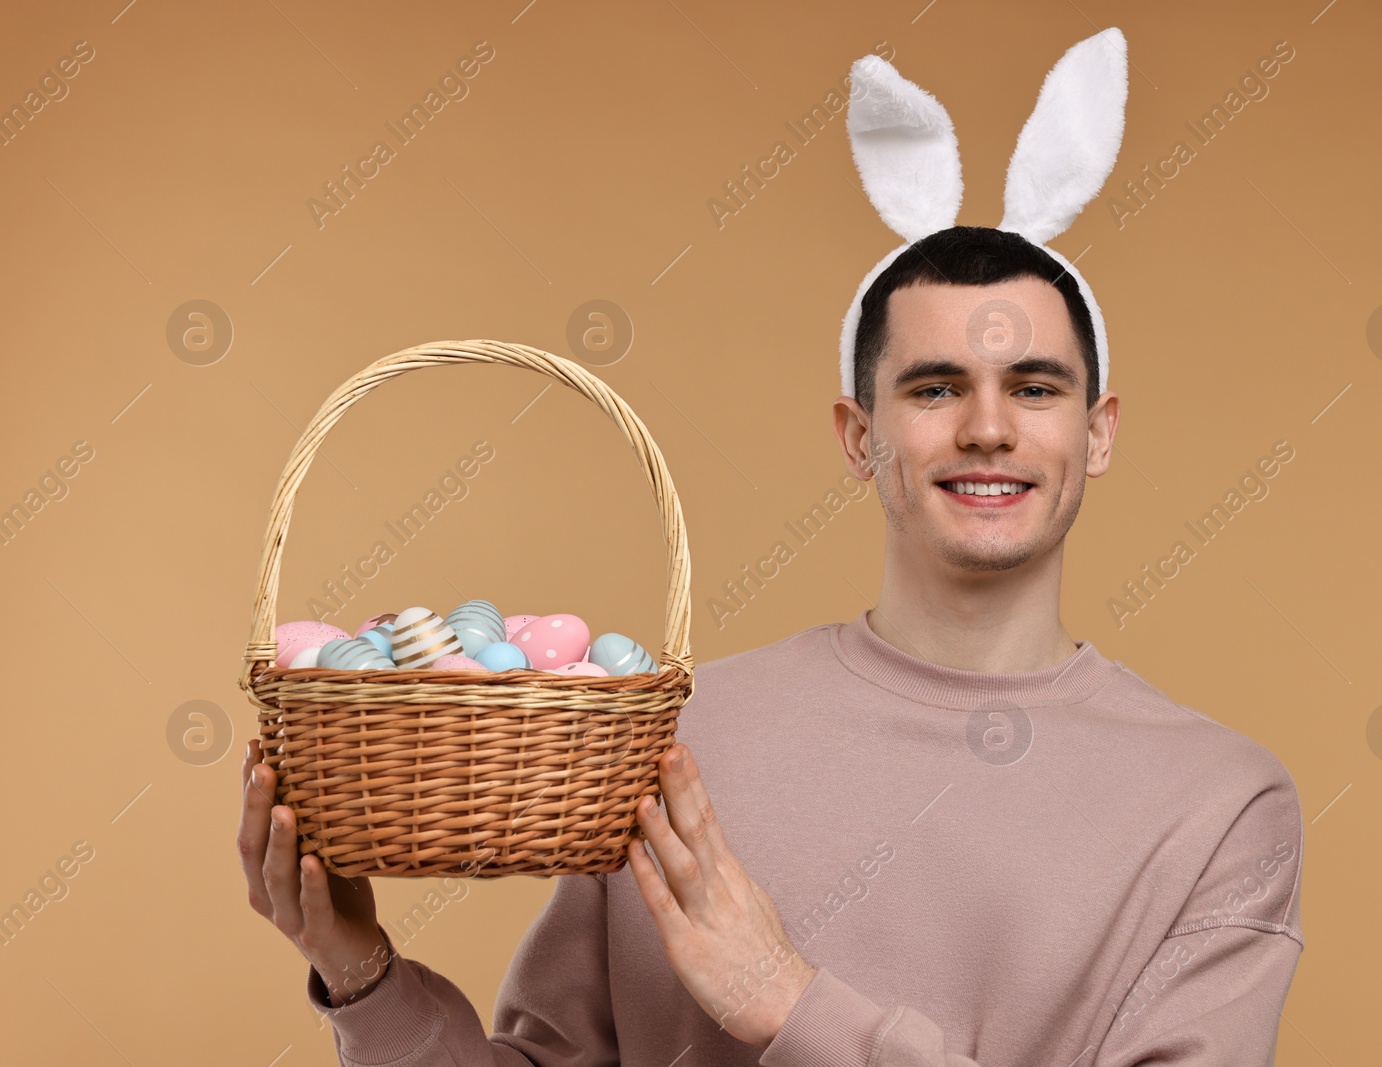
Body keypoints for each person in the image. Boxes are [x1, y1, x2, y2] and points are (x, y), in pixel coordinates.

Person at [239, 31, 1304, 1066]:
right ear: (858, 435)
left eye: (1034, 386)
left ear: (1097, 429)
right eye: (934, 388)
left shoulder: (1219, 805)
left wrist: (789, 1001)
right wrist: (365, 977)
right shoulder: (668, 744)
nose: (988, 427)